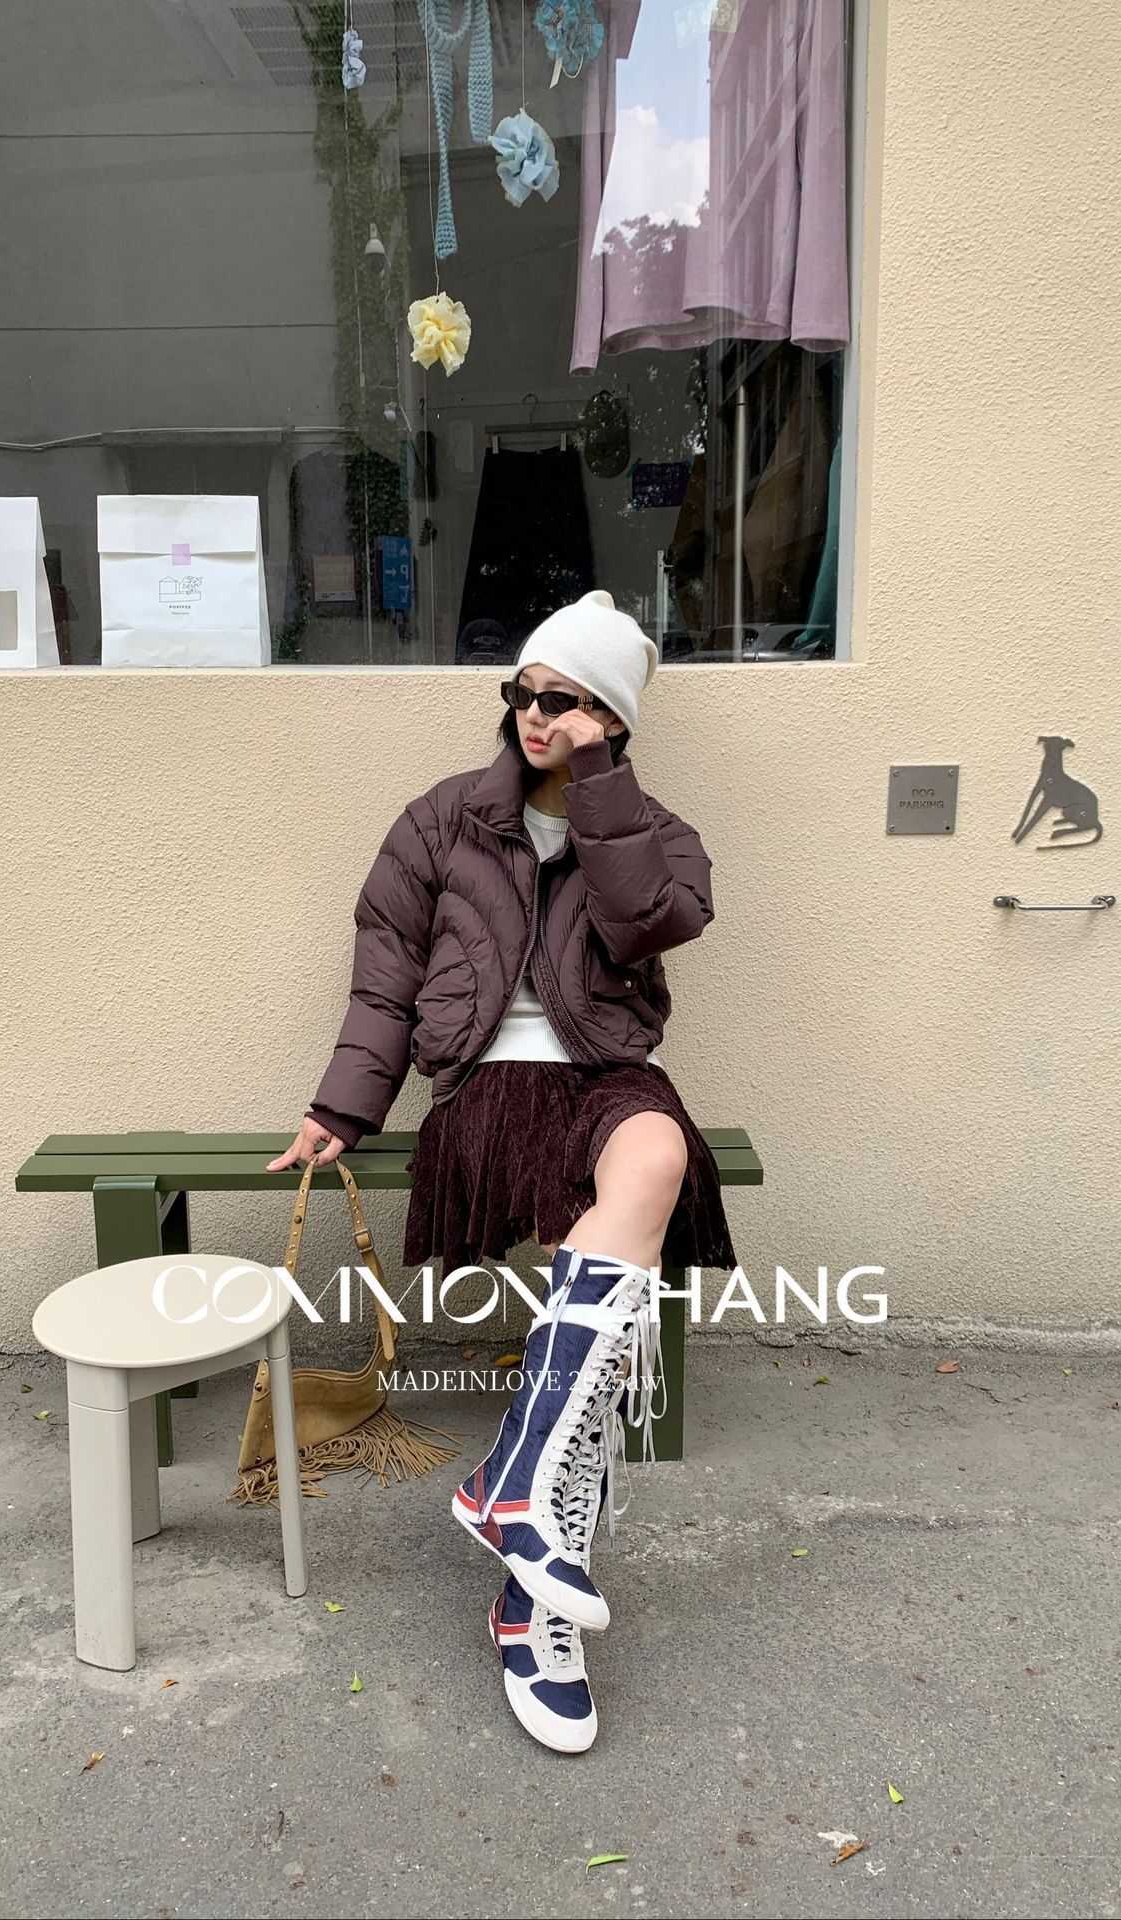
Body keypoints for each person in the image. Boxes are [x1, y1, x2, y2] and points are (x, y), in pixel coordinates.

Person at [269, 588, 739, 1752]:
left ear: (612, 718)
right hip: (485, 1089)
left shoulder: (658, 833)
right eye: (524, 692)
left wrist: (598, 790)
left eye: (566, 700)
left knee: (658, 1152)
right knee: (606, 1330)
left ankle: (514, 1492)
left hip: (605, 1075)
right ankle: (533, 1607)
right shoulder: (442, 821)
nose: (535, 715)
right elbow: (385, 972)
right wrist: (343, 1105)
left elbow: (644, 924)